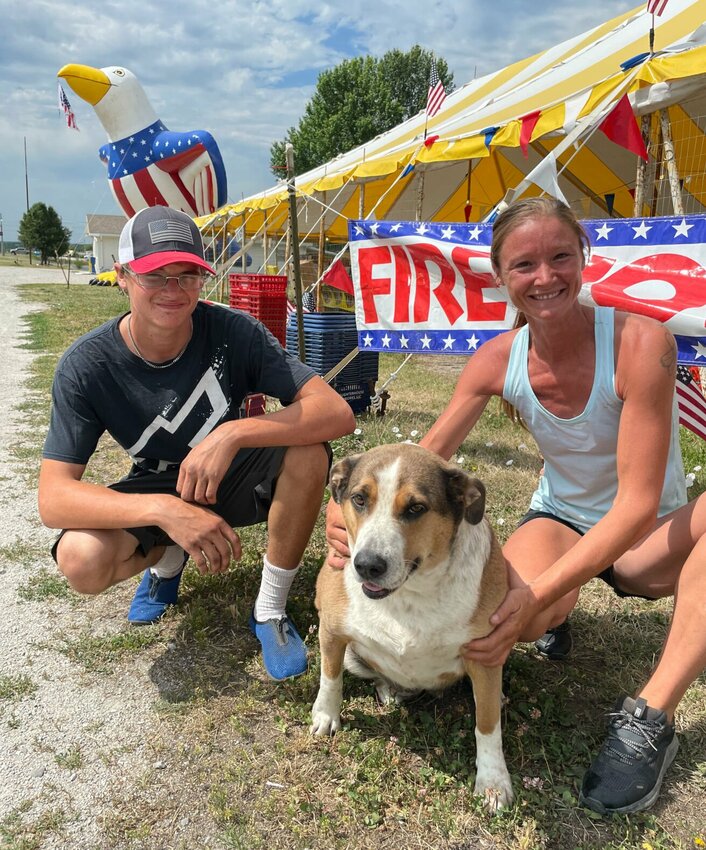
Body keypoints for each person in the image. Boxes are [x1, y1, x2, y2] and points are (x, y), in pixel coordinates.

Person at [326, 197, 706, 815]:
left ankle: (651, 717)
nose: (545, 277)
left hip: (646, 532)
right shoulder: (499, 359)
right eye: (524, 264)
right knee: (511, 625)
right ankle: (559, 613)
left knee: (550, 594)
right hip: (563, 518)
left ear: (583, 257)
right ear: (501, 276)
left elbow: (636, 506)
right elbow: (422, 459)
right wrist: (354, 507)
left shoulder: (640, 341)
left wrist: (539, 588)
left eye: (560, 256)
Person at [39, 205, 355, 681]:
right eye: (155, 276)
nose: (174, 290)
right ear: (122, 277)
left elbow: (336, 412)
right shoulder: (87, 365)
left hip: (230, 475)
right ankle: (168, 559)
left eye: (188, 275)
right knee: (81, 560)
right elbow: (54, 497)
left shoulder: (232, 331)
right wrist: (166, 512)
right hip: (158, 485)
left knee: (309, 451)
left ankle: (270, 607)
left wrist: (232, 432)